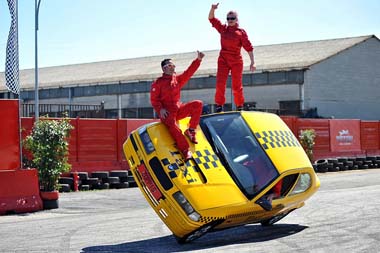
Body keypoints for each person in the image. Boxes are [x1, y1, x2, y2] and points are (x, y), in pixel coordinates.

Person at [150, 51, 205, 161]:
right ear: (164, 68)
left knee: (198, 104)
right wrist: (160, 110)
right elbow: (154, 99)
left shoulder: (177, 80)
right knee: (174, 127)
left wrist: (198, 60)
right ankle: (185, 150)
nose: (173, 68)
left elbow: (189, 72)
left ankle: (191, 130)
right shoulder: (158, 83)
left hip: (178, 108)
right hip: (167, 113)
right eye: (170, 66)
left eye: (173, 65)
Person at [208, 3, 256, 112]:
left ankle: (239, 105)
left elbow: (249, 47)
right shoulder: (223, 28)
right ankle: (219, 106)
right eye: (228, 18)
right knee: (220, 84)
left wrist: (253, 62)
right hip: (223, 60)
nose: (230, 20)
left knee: (236, 86)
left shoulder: (241, 32)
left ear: (236, 19)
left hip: (236, 61)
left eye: (232, 18)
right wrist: (212, 9)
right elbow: (211, 19)